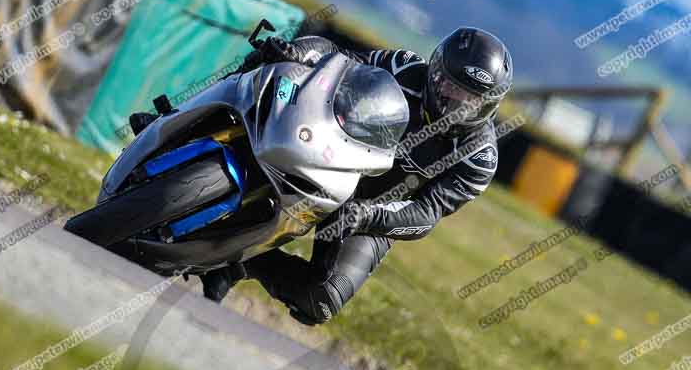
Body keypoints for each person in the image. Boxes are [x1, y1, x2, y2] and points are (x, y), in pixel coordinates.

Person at [131, 27, 513, 325]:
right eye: (449, 87)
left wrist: (369, 216)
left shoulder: (478, 157)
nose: (455, 104)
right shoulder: (403, 67)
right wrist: (300, 52)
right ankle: (174, 121)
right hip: (330, 152)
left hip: (372, 208)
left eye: (471, 100)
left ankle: (237, 260)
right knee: (270, 60)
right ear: (435, 70)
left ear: (490, 105)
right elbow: (341, 61)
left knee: (321, 301)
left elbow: (426, 214)